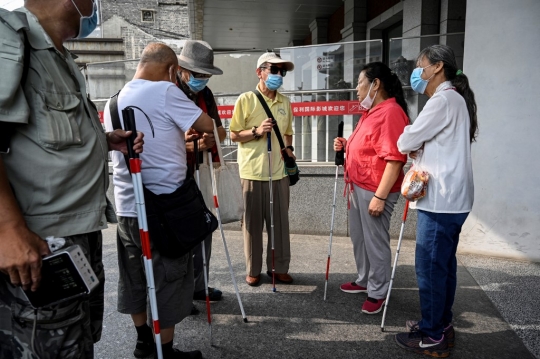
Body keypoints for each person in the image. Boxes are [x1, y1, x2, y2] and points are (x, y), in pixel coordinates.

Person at [0, 1, 143, 358]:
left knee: (78, 340)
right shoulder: (10, 37)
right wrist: (8, 231)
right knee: (47, 345)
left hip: (75, 236)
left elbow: (44, 134)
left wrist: (104, 141)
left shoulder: (59, 56)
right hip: (37, 241)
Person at [104, 43, 213, 359]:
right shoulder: (166, 92)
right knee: (169, 279)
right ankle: (164, 351)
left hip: (127, 208)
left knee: (135, 277)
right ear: (170, 70)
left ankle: (143, 344)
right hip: (166, 210)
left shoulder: (115, 100)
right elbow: (207, 126)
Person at [394, 45, 478, 357]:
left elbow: (405, 140)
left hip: (441, 201)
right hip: (455, 199)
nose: (417, 72)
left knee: (430, 269)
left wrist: (415, 142)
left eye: (421, 66)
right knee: (444, 266)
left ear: (438, 67)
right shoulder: (456, 99)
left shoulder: (442, 100)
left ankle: (432, 336)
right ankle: (441, 324)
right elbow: (433, 143)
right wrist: (421, 145)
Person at [333, 62, 409, 314]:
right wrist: (347, 145)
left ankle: (378, 291)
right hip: (358, 186)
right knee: (359, 237)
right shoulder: (371, 112)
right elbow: (370, 147)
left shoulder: (390, 112)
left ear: (375, 84)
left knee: (375, 241)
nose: (356, 89)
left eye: (360, 82)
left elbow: (395, 158)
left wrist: (380, 196)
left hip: (375, 189)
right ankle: (365, 279)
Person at [230, 52, 295, 286]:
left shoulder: (285, 103)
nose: (279, 75)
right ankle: (253, 269)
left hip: (278, 173)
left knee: (279, 224)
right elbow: (233, 133)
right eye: (273, 70)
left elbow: (287, 132)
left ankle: (278, 268)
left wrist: (289, 149)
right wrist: (257, 131)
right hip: (251, 172)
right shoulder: (246, 99)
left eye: (282, 71)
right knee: (252, 226)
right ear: (260, 72)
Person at [176, 40, 226, 304]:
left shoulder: (205, 95)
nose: (203, 80)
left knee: (204, 226)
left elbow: (220, 130)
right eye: (198, 75)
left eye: (206, 75)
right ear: (183, 70)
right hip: (174, 174)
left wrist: (208, 139)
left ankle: (200, 285)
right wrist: (187, 141)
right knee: (181, 232)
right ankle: (181, 292)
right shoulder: (169, 90)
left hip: (201, 169)